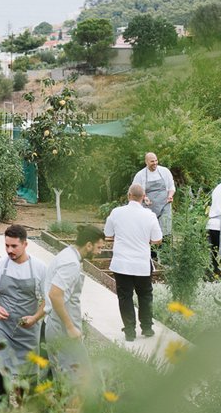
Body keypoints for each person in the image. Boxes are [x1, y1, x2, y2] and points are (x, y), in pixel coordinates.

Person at [0, 224, 47, 399]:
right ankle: (0, 407)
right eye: (7, 245)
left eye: (14, 246)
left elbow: (48, 300)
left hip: (28, 328)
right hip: (2, 326)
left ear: (25, 244)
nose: (9, 250)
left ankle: (28, 411)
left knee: (29, 372)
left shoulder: (39, 268)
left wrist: (35, 318)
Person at [44, 225, 105, 379]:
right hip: (61, 328)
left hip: (56, 323)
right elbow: (55, 294)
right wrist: (70, 327)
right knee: (75, 380)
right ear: (89, 245)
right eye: (99, 247)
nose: (100, 252)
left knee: (67, 378)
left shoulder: (66, 254)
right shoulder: (71, 263)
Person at [104, 183, 163, 342]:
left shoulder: (116, 213)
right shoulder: (149, 215)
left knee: (125, 296)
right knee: (145, 295)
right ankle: (147, 328)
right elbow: (158, 239)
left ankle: (129, 331)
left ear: (129, 195)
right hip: (142, 264)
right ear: (143, 197)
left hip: (122, 263)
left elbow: (108, 233)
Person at [131, 152, 175, 237]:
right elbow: (135, 190)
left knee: (165, 229)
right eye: (152, 161)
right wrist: (144, 198)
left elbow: (171, 186)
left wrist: (170, 196)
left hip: (165, 205)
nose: (155, 163)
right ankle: (151, 250)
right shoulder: (140, 175)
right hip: (148, 207)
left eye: (156, 160)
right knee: (149, 231)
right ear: (146, 162)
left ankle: (165, 249)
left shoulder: (165, 171)